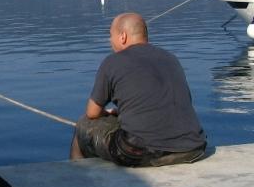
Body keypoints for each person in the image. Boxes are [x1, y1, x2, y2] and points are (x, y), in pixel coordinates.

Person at [70, 12, 206, 167]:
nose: (109, 41)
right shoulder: (171, 58)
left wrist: (107, 113)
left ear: (122, 37)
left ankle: (77, 180)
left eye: (110, 35)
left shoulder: (113, 61)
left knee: (83, 125)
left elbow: (92, 113)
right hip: (194, 147)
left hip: (140, 152)